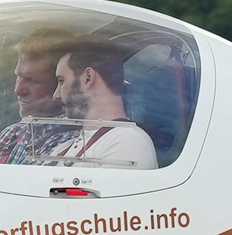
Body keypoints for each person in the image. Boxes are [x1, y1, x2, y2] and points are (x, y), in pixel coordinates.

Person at [47, 40, 157, 169]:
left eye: (61, 81)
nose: (56, 95)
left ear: (88, 78)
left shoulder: (128, 142)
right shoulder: (65, 147)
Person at [0, 30, 78, 165]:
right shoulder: (11, 135)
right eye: (18, 77)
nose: (18, 90)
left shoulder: (73, 143)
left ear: (60, 83)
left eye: (32, 80)